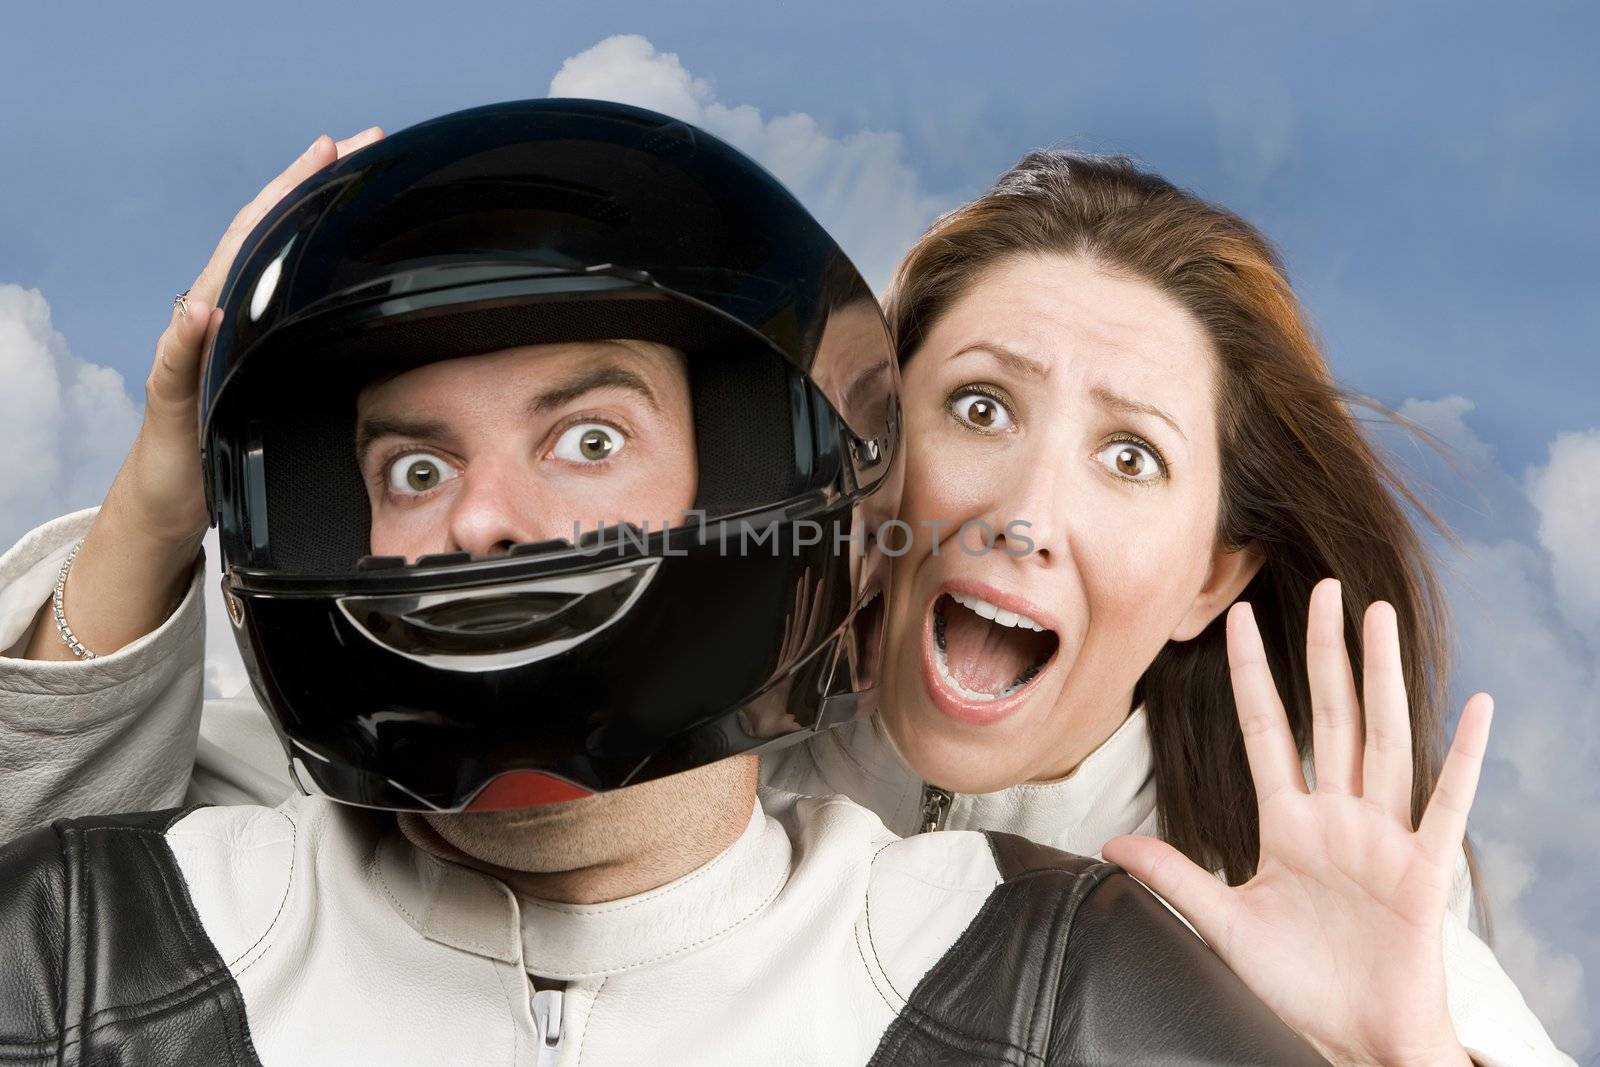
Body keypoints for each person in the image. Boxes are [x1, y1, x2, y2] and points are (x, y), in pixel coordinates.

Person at [0, 100, 1324, 1065]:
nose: (485, 521)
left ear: (768, 476)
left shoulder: (1051, 985)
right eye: (412, 470)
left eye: (588, 441)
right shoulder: (93, 947)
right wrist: (165, 490)